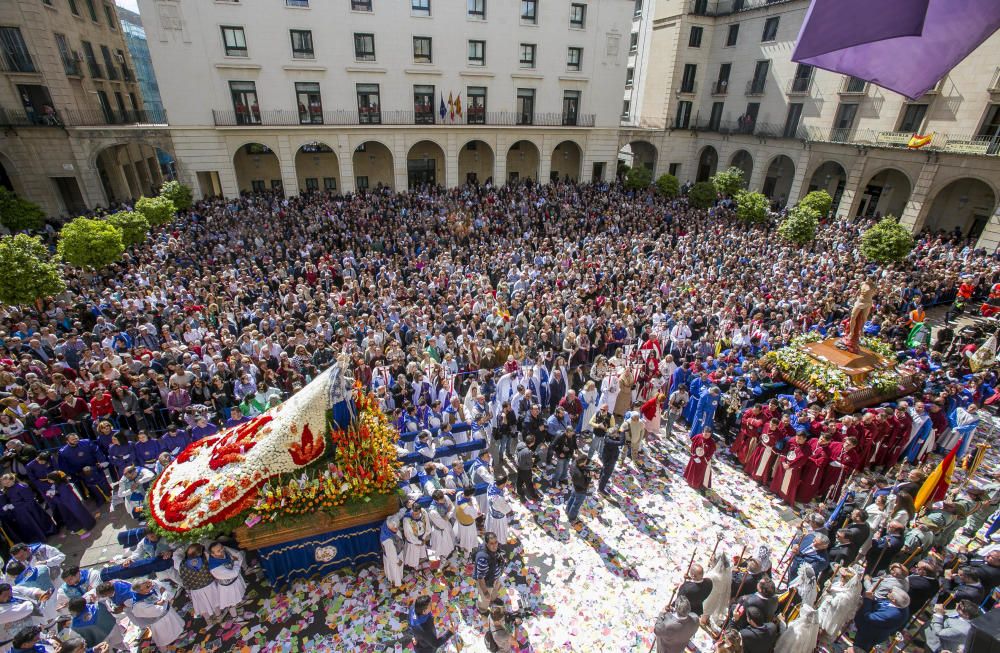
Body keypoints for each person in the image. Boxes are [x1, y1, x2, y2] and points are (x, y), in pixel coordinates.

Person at [126, 578, 185, 649]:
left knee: (174, 627)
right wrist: (163, 599)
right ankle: (164, 650)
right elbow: (158, 611)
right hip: (159, 622)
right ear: (140, 591)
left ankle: (177, 635)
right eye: (147, 587)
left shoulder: (150, 587)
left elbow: (165, 590)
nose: (150, 587)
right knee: (163, 638)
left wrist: (162, 600)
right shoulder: (139, 604)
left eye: (149, 584)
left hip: (167, 614)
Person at [851, 587, 909, 652]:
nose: (888, 592)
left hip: (869, 635)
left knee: (858, 649)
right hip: (869, 629)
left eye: (890, 592)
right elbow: (881, 603)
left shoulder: (891, 615)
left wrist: (868, 599)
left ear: (894, 600)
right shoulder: (899, 604)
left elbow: (868, 616)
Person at [175, 543, 220, 623]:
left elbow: (184, 580)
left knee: (202, 606)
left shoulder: (181, 564)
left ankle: (208, 620)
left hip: (196, 590)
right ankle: (219, 616)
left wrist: (188, 592)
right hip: (209, 585)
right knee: (215, 601)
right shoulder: (205, 557)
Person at [207, 541, 246, 617]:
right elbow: (234, 573)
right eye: (218, 551)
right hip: (228, 587)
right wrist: (236, 562)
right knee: (231, 602)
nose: (222, 551)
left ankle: (239, 603)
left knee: (238, 595)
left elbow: (237, 556)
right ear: (212, 554)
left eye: (222, 548)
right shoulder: (215, 568)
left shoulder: (223, 553)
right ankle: (235, 617)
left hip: (234, 582)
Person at [473, 533, 504, 614]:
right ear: (487, 544)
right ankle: (483, 609)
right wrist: (485, 592)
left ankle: (493, 600)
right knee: (485, 599)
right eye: (492, 543)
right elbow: (480, 578)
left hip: (493, 577)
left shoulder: (494, 548)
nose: (495, 545)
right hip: (486, 583)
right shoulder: (483, 558)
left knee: (495, 590)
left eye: (496, 542)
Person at [401, 503, 432, 570]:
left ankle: (419, 562)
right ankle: (413, 566)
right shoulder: (407, 519)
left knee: (421, 553)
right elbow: (408, 534)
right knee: (413, 556)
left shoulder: (423, 513)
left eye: (417, 514)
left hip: (422, 537)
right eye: (414, 514)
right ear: (411, 510)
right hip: (413, 541)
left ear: (420, 511)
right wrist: (418, 542)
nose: (415, 516)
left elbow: (427, 525)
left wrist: (425, 537)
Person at [428, 489, 456, 561]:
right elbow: (441, 525)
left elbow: (452, 507)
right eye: (441, 499)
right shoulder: (432, 511)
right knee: (438, 546)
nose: (444, 500)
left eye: (443, 497)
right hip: (439, 530)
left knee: (449, 543)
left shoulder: (445, 497)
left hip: (447, 525)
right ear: (436, 500)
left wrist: (445, 517)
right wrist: (448, 514)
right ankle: (437, 562)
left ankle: (446, 557)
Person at [598, 421, 625, 496]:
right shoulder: (609, 441)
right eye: (616, 433)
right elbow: (621, 442)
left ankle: (600, 479)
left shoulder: (608, 435)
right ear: (613, 434)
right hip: (609, 459)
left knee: (604, 468)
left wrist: (618, 429)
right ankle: (601, 489)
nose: (618, 435)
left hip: (607, 457)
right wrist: (622, 432)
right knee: (606, 474)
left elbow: (616, 429)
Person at [484, 476, 512, 545]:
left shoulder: (492, 484)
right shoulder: (498, 499)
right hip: (498, 519)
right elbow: (506, 509)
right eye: (505, 483)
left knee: (491, 528)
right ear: (502, 484)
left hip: (491, 512)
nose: (506, 484)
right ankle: (499, 541)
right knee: (499, 532)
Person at [380, 515, 405, 589]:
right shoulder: (388, 541)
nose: (397, 529)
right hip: (394, 557)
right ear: (390, 527)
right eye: (395, 528)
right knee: (395, 571)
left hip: (397, 551)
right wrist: (397, 560)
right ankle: (396, 582)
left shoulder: (387, 524)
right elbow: (391, 554)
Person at [453, 487, 480, 554]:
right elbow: (477, 514)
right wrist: (475, 506)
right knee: (467, 541)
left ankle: (461, 545)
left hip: (461, 522)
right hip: (468, 526)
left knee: (462, 536)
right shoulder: (467, 507)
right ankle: (467, 555)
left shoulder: (459, 494)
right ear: (470, 495)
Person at [514, 436, 540, 502]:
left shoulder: (520, 444)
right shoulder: (528, 452)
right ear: (532, 443)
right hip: (525, 470)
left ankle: (519, 492)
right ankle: (533, 495)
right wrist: (533, 460)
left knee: (519, 480)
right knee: (529, 483)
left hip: (519, 467)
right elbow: (530, 464)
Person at [566, 455, 591, 523]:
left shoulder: (574, 463)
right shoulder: (578, 474)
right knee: (576, 504)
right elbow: (585, 485)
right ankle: (572, 518)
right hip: (580, 490)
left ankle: (567, 510)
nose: (586, 463)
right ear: (581, 462)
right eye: (585, 462)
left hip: (575, 486)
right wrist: (589, 477)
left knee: (572, 497)